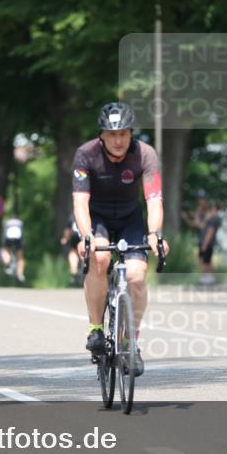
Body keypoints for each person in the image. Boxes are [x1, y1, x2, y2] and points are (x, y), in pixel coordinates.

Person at [73, 101, 168, 377]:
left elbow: (154, 200)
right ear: (101, 134)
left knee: (137, 276)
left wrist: (154, 234)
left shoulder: (146, 154)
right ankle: (96, 330)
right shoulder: (85, 154)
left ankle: (131, 340)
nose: (118, 140)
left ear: (131, 133)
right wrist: (86, 235)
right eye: (112, 134)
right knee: (99, 257)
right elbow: (80, 203)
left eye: (124, 134)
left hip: (130, 218)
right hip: (97, 217)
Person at [198, 200, 222, 283]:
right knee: (207, 261)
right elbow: (200, 225)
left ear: (214, 208)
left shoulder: (214, 218)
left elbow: (210, 231)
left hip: (207, 243)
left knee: (204, 261)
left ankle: (206, 279)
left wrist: (205, 244)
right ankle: (210, 278)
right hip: (206, 242)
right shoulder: (211, 218)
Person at [0, 215, 26, 283]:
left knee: (5, 250)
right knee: (20, 257)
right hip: (18, 238)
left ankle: (8, 265)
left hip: (8, 237)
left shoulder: (7, 222)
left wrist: (3, 244)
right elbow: (22, 234)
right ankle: (20, 274)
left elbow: (4, 233)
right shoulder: (20, 222)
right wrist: (22, 245)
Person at [60, 215, 82, 286]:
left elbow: (68, 229)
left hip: (75, 236)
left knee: (73, 252)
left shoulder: (72, 216)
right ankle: (83, 271)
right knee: (84, 252)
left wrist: (65, 238)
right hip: (84, 235)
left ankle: (74, 270)